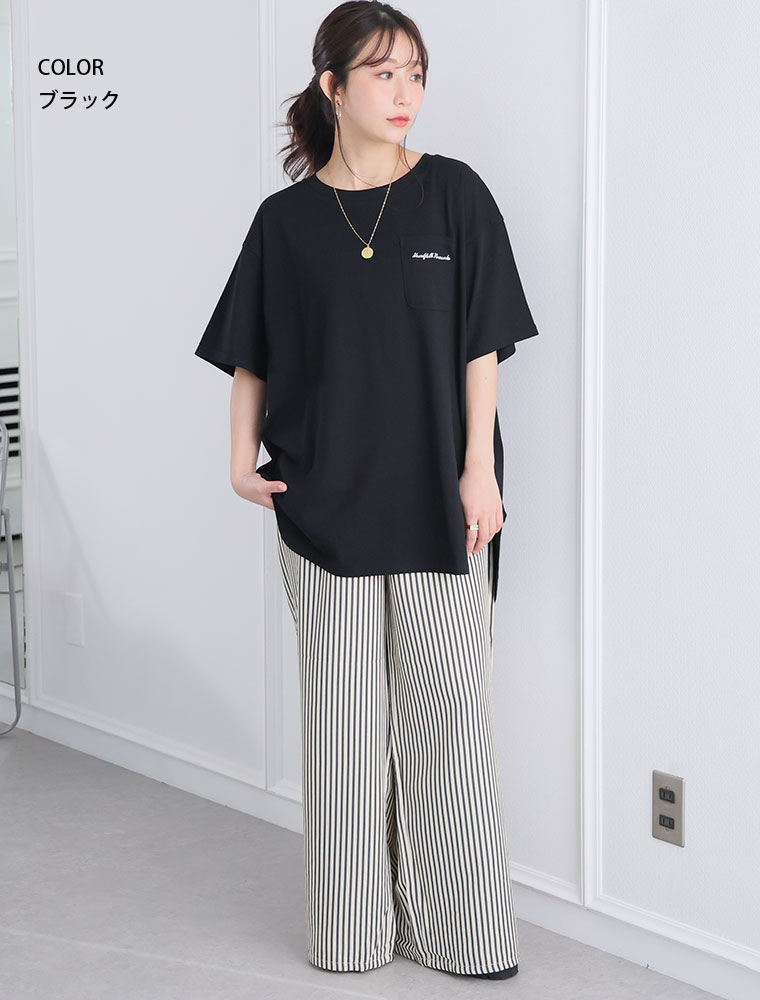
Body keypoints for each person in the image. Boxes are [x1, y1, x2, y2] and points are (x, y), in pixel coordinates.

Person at [195, 0, 539, 982]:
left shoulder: (454, 195)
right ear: (332, 86)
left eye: (415, 73)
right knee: (344, 734)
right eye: (384, 73)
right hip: (323, 508)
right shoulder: (285, 222)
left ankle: (463, 932)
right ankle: (348, 933)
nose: (405, 92)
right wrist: (238, 460)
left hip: (441, 504)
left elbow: (481, 344)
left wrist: (479, 468)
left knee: (448, 722)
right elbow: (250, 353)